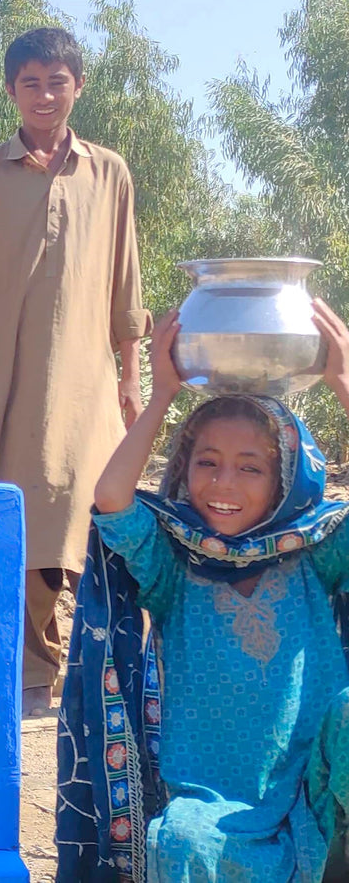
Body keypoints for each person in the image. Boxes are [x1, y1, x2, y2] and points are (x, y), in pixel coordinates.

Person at [56, 301, 349, 882]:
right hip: (209, 799)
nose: (222, 483)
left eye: (250, 468)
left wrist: (342, 382)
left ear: (288, 480)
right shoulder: (175, 570)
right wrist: (160, 394)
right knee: (182, 841)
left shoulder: (317, 554)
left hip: (315, 782)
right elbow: (112, 501)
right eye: (207, 462)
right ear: (183, 469)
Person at [0, 26, 151, 716]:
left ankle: (74, 670)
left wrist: (130, 373)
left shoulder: (108, 173)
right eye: (31, 82)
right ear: (11, 90)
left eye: (57, 80)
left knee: (78, 513)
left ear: (79, 85)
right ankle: (16, 672)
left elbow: (124, 284)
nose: (45, 95)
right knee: (1, 512)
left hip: (83, 381)